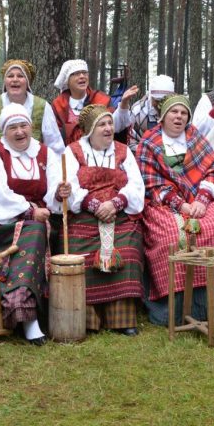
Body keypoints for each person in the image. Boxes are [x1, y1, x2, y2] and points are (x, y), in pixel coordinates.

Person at [136, 94, 214, 326]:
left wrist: (201, 199)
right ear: (163, 116)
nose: (179, 117)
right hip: (164, 202)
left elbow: (213, 170)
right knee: (171, 234)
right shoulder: (149, 142)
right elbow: (150, 183)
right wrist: (180, 204)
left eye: (183, 113)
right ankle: (173, 310)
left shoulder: (196, 138)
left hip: (201, 199)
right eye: (174, 112)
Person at [47, 104, 145, 335]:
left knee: (127, 248)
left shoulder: (123, 151)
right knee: (83, 250)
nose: (109, 128)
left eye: (110, 123)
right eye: (102, 124)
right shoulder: (72, 152)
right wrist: (93, 204)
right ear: (90, 129)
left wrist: (116, 203)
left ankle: (122, 319)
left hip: (118, 212)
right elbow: (67, 184)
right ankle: (88, 318)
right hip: (84, 213)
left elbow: (136, 185)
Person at [0, 103, 67, 345]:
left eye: (23, 126)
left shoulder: (46, 153)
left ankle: (33, 310)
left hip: (37, 219)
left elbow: (53, 193)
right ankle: (26, 317)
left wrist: (59, 194)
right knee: (36, 231)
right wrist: (29, 211)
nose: (19, 132)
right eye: (13, 127)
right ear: (4, 132)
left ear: (31, 127)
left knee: (38, 230)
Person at [0, 59, 64, 166]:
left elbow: (55, 146)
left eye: (20, 76)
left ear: (28, 82)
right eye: (10, 76)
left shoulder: (42, 107)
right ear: (5, 81)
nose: (15, 79)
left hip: (35, 172)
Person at [50, 59, 116, 145]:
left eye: (84, 73)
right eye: (76, 73)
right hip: (68, 153)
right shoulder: (58, 104)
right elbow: (54, 135)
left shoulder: (102, 99)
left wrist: (123, 107)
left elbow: (114, 125)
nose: (82, 76)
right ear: (67, 80)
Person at [115, 74, 175, 154]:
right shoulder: (138, 111)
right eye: (157, 101)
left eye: (164, 101)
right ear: (151, 96)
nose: (160, 105)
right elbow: (130, 142)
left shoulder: (179, 111)